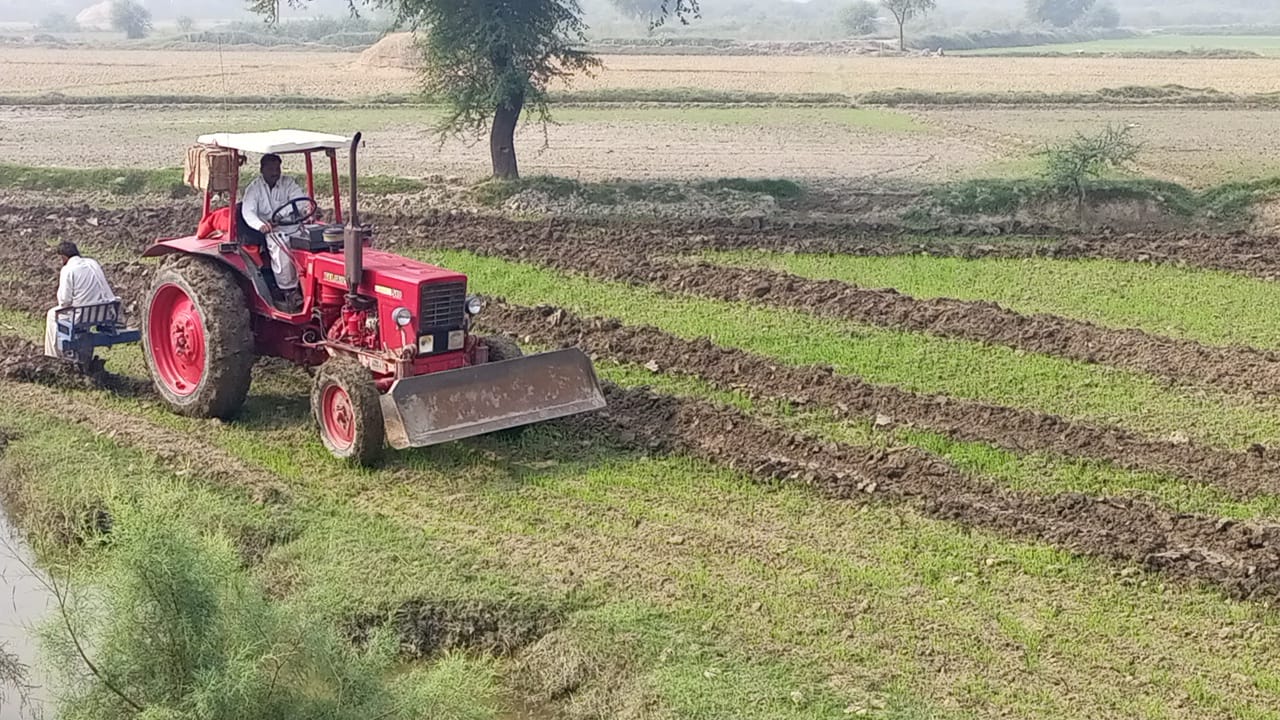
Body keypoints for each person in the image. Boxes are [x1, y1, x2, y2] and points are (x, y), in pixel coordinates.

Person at [240, 154, 321, 312]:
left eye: (277, 168)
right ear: (262, 169)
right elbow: (248, 212)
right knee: (281, 245)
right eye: (271, 169)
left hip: (292, 225)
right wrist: (260, 225)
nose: (275, 172)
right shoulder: (254, 188)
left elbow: (301, 200)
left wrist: (282, 214)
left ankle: (311, 286)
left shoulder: (288, 183)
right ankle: (289, 290)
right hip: (270, 230)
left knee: (315, 241)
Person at [44, 241, 118, 358]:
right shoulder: (93, 263)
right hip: (105, 312)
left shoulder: (68, 270)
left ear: (63, 257)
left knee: (52, 314)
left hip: (82, 315)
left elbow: (64, 301)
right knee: (83, 309)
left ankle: (52, 356)